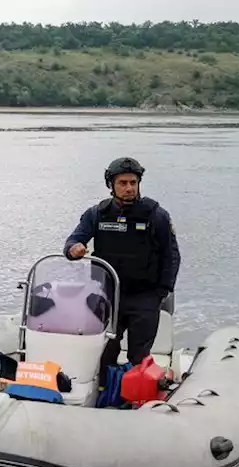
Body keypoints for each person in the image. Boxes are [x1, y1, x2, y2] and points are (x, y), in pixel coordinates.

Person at [63, 157, 181, 382]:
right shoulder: (96, 214)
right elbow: (73, 241)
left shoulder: (157, 215)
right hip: (108, 296)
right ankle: (103, 392)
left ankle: (135, 399)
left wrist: (163, 291)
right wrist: (73, 249)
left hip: (145, 297)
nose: (129, 188)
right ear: (111, 185)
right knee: (104, 351)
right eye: (123, 183)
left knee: (139, 355)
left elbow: (171, 256)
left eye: (133, 183)